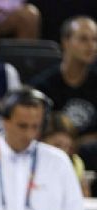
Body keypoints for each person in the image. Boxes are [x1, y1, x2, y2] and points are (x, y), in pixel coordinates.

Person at [32, 16, 97, 145]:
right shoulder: (43, 86)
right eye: (83, 39)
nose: (91, 46)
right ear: (66, 42)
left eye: (95, 39)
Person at [42, 111, 91, 197]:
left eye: (68, 147)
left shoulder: (76, 163)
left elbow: (85, 199)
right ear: (41, 140)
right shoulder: (27, 162)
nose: (63, 153)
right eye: (57, 145)